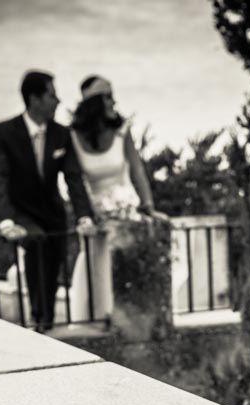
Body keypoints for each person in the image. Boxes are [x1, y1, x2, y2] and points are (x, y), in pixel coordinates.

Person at [0, 71, 94, 332]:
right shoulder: (3, 132)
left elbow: (73, 178)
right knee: (35, 245)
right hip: (20, 213)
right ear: (34, 99)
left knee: (53, 266)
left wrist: (84, 215)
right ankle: (39, 319)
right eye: (52, 95)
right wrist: (5, 220)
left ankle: (43, 322)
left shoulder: (62, 134)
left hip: (53, 214)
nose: (57, 101)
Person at [68, 75, 165, 322]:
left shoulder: (122, 131)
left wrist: (148, 206)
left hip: (126, 212)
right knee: (97, 269)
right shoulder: (72, 137)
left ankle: (132, 319)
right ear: (94, 102)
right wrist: (86, 215)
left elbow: (136, 170)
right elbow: (74, 182)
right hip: (95, 218)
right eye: (108, 96)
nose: (114, 101)